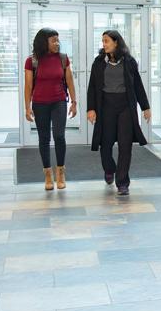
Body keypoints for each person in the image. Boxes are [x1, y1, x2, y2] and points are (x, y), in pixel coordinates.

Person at [86, 30, 151, 196]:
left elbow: (137, 85)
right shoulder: (99, 62)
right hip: (106, 106)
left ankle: (122, 182)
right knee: (105, 145)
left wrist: (145, 107)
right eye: (103, 41)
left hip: (125, 108)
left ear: (116, 42)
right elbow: (92, 87)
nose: (104, 44)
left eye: (106, 41)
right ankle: (109, 169)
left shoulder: (129, 62)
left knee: (125, 145)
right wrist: (91, 108)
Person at [23, 28, 78, 191]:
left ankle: (60, 172)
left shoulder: (63, 59)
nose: (57, 43)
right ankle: (48, 174)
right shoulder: (31, 61)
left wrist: (74, 102)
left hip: (59, 101)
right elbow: (28, 86)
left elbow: (70, 81)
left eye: (57, 40)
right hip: (40, 104)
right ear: (43, 42)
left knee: (59, 136)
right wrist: (27, 107)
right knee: (44, 138)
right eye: (53, 40)